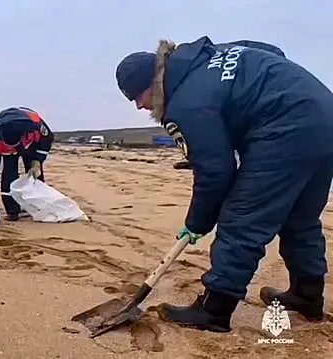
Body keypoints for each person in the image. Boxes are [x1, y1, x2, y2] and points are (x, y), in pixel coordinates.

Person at [115, 36, 333, 332]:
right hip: (324, 116)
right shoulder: (208, 55)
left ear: (155, 80)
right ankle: (307, 295)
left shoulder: (185, 103)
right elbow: (272, 50)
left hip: (284, 128)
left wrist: (197, 223)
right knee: (300, 218)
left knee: (242, 219)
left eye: (139, 95)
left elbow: (216, 172)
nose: (140, 105)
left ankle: (214, 310)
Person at [0, 107, 54, 223]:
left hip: (30, 146)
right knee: (9, 174)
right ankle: (12, 211)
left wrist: (37, 161)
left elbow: (47, 140)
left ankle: (38, 206)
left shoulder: (36, 125)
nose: (13, 148)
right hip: (8, 152)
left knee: (34, 175)